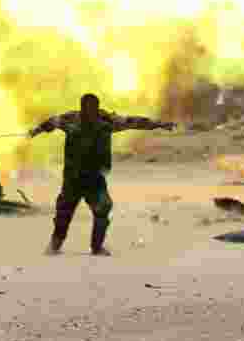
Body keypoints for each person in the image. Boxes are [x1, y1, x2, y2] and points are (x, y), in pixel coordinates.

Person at [28, 93, 175, 256]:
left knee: (103, 209)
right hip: (73, 177)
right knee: (64, 211)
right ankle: (55, 244)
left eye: (92, 108)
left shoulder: (106, 121)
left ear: (97, 108)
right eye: (86, 108)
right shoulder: (71, 119)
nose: (89, 112)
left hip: (95, 177)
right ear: (82, 107)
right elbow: (51, 122)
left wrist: (159, 124)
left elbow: (133, 122)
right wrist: (37, 130)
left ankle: (96, 246)